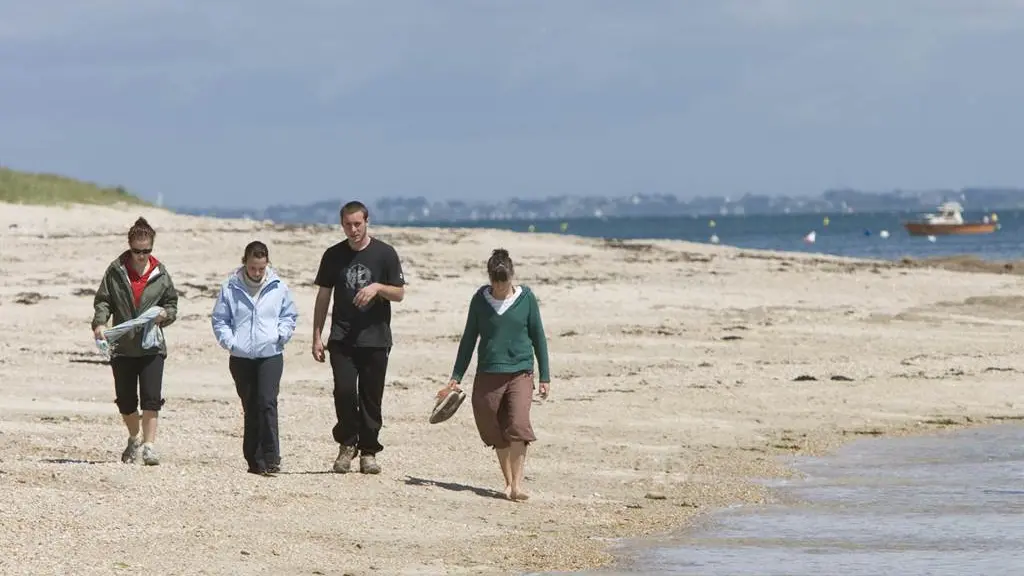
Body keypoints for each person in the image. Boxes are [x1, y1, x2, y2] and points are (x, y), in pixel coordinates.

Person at [441, 248, 551, 501]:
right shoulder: (480, 300)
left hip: (521, 371)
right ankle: (508, 482)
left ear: (512, 276)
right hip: (489, 372)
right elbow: (468, 339)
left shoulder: (527, 299)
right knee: (494, 427)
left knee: (518, 424)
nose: (501, 289)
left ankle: (518, 486)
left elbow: (539, 337)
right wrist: (456, 376)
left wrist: (545, 376)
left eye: (505, 283)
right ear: (490, 279)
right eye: (496, 283)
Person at [312, 201, 406, 474]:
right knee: (343, 392)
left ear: (367, 222)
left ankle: (368, 451)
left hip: (376, 338)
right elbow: (323, 297)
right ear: (341, 224)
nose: (353, 230)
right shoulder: (332, 255)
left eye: (357, 224)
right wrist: (317, 335)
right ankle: (347, 444)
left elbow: (399, 294)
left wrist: (377, 287)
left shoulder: (385, 254)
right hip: (342, 338)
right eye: (347, 224)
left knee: (371, 397)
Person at [91, 216, 179, 466]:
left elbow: (171, 302)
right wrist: (99, 323)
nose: (142, 256)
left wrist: (165, 315)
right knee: (126, 400)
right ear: (130, 247)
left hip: (152, 346)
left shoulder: (160, 273)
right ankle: (134, 437)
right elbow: (103, 300)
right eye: (137, 251)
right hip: (123, 347)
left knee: (151, 397)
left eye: (147, 251)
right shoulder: (116, 271)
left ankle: (150, 447)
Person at [211, 241, 299, 476]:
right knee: (251, 406)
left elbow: (289, 315)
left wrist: (281, 336)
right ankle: (254, 459)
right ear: (245, 263)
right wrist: (231, 342)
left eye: (261, 268)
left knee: (267, 402)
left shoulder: (278, 286)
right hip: (241, 356)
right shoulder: (230, 287)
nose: (257, 273)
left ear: (266, 264)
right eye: (252, 268)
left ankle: (272, 457)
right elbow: (220, 319)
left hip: (270, 354)